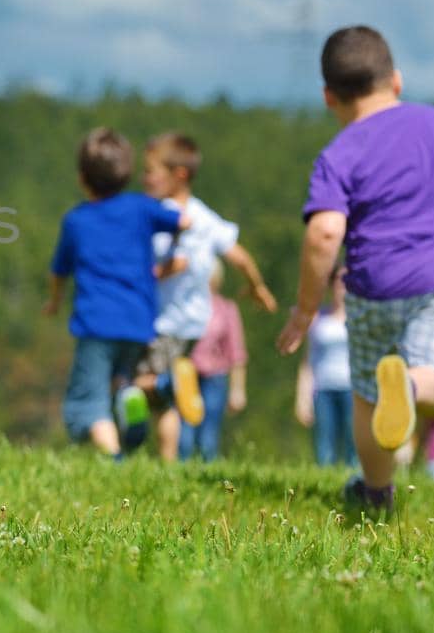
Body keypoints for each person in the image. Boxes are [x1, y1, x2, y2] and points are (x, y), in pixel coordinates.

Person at [276, 25, 434, 514]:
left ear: (329, 97)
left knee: (367, 392)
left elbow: (324, 233)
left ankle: (375, 491)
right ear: (397, 81)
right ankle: (409, 387)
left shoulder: (339, 152)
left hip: (371, 288)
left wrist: (306, 308)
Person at [130, 132, 278, 461]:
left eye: (151, 171)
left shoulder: (162, 214)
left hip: (163, 321)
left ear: (178, 174)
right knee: (159, 404)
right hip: (195, 322)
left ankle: (171, 386)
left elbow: (175, 264)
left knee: (138, 383)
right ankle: (167, 463)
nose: (144, 178)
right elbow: (238, 255)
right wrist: (257, 285)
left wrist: (145, 275)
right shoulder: (206, 216)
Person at [44, 129, 187, 458]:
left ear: (82, 178)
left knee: (86, 402)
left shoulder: (76, 220)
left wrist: (53, 303)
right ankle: (136, 392)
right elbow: (182, 220)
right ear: (126, 174)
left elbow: (58, 272)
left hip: (96, 323)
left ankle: (113, 457)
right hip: (139, 320)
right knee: (119, 380)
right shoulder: (141, 208)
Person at [178, 262, 246, 461]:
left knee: (208, 436)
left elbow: (236, 352)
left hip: (215, 377)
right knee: (185, 435)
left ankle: (209, 473)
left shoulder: (226, 309)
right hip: (187, 376)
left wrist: (237, 389)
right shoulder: (185, 307)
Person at [295, 265, 356, 466]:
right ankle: (324, 480)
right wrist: (302, 398)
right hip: (323, 387)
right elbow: (308, 361)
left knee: (353, 440)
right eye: (338, 282)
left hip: (352, 388)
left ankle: (355, 481)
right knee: (324, 441)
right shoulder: (318, 318)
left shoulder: (359, 318)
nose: (342, 287)